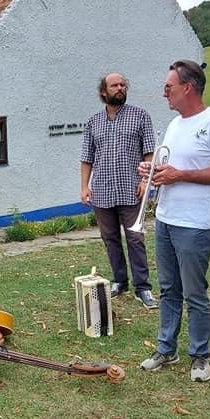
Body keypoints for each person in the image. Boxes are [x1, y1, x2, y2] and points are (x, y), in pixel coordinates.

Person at [138, 61, 210, 383]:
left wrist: (181, 175)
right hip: (166, 219)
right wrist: (151, 172)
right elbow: (169, 164)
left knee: (194, 292)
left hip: (196, 224)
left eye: (169, 87)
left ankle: (200, 356)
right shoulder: (174, 124)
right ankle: (166, 349)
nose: (164, 92)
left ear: (188, 88)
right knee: (168, 290)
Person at [80, 72, 158, 308]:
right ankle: (120, 281)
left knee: (135, 238)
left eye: (123, 85)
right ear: (104, 91)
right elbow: (86, 157)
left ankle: (143, 287)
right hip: (102, 190)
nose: (120, 88)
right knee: (110, 238)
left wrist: (146, 180)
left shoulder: (140, 116)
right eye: (115, 85)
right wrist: (84, 186)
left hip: (131, 189)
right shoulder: (93, 122)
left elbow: (150, 152)